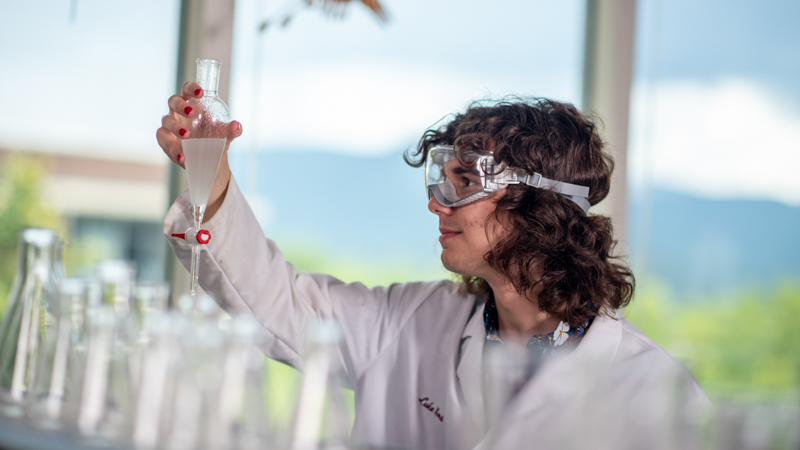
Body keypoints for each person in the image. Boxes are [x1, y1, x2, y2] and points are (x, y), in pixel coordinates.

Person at [157, 82, 711, 450]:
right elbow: (277, 301)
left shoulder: (656, 393)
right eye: (442, 180)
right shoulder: (415, 319)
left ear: (539, 203)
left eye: (465, 183)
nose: (437, 202)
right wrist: (214, 174)